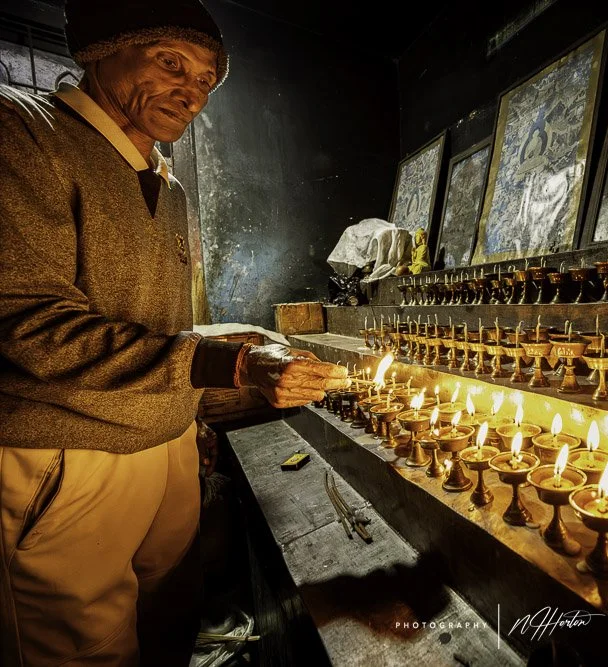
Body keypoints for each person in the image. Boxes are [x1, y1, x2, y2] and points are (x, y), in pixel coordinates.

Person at [0, 1, 349, 664]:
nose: (191, 89)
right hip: (67, 458)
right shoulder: (24, 132)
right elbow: (28, 326)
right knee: (83, 650)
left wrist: (191, 419)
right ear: (101, 48)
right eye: (170, 62)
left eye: (206, 78)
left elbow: (175, 329)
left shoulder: (171, 187)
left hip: (165, 451)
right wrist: (231, 366)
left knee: (170, 622)